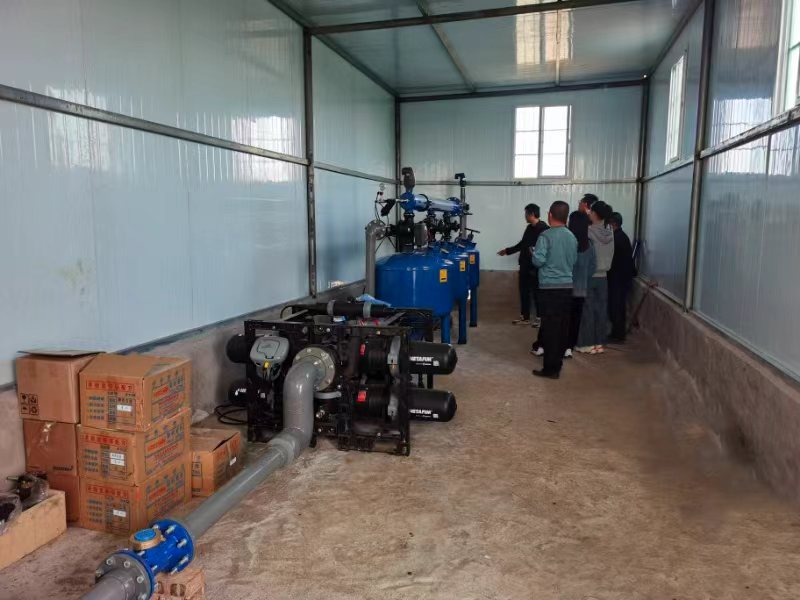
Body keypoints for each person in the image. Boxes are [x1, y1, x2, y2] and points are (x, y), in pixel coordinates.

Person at [530, 201, 577, 379]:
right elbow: (573, 261)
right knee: (562, 327)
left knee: (549, 329)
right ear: (566, 216)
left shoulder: (545, 236)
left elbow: (538, 261)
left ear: (550, 215)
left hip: (549, 288)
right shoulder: (571, 237)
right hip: (566, 287)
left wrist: (534, 253)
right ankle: (557, 364)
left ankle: (550, 369)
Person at [497, 203, 549, 326]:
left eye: (526, 214)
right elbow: (523, 244)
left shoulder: (544, 229)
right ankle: (525, 317)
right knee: (524, 291)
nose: (525, 216)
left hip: (536, 267)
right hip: (525, 265)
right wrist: (507, 251)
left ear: (532, 214)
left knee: (537, 293)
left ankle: (540, 318)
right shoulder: (529, 228)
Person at [575, 200, 614, 354]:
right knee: (601, 310)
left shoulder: (589, 232)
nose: (589, 214)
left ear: (595, 214)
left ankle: (586, 344)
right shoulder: (610, 232)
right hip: (604, 276)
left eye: (591, 212)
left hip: (590, 275)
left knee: (588, 310)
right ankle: (599, 344)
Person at [565, 211, 596, 358]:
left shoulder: (566, 242)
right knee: (575, 320)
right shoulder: (589, 244)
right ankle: (569, 348)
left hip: (563, 288)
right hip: (580, 289)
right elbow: (593, 267)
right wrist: (583, 278)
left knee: (561, 319)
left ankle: (557, 345)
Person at [607, 212, 635, 342]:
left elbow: (613, 260)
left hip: (618, 279)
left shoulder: (617, 239)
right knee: (617, 306)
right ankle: (617, 333)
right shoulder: (621, 237)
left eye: (608, 224)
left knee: (616, 307)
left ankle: (618, 335)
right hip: (621, 278)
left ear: (613, 224)